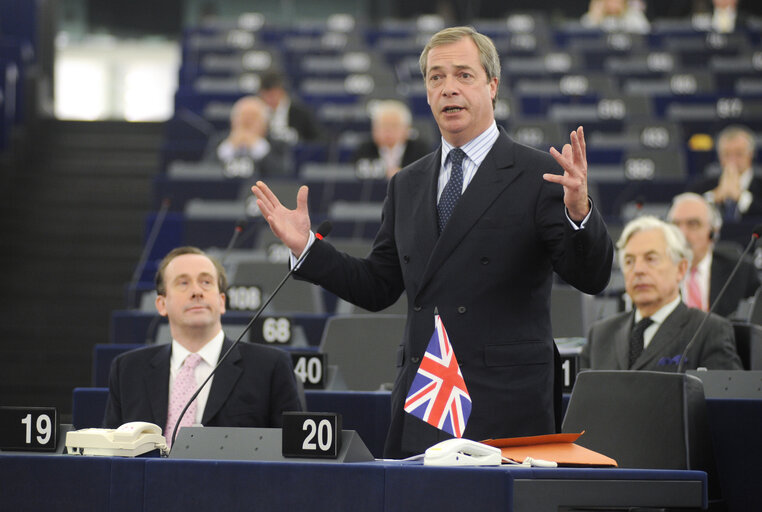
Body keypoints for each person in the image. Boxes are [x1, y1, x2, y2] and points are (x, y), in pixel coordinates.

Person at [252, 26, 614, 458]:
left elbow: (591, 276)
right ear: (426, 92)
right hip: (428, 394)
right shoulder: (406, 183)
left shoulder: (540, 175)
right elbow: (377, 285)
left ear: (492, 85)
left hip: (506, 401)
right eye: (436, 77)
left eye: (463, 75)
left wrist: (579, 212)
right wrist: (308, 249)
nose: (448, 89)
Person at [103, 247, 302, 443]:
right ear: (161, 304)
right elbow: (110, 454)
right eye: (183, 283)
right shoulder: (128, 369)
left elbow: (292, 453)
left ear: (222, 301)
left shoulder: (269, 366)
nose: (197, 291)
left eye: (206, 282)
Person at [582, 216, 742, 371]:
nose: (638, 270)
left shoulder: (709, 331)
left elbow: (726, 396)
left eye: (651, 259)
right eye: (629, 261)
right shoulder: (600, 335)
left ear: (681, 269)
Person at [667, 192, 759, 317]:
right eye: (675, 225)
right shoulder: (657, 272)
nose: (682, 233)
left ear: (713, 232)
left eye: (692, 224)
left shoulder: (740, 272)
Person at [688, 124, 762, 221]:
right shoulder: (702, 186)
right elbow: (686, 212)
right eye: (726, 154)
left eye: (739, 154)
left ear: (751, 154)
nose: (732, 160)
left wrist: (741, 197)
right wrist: (714, 197)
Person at [211, 95, 293, 179]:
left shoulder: (278, 145)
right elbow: (206, 170)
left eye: (253, 118)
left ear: (265, 124)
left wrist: (258, 146)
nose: (248, 122)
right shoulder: (218, 141)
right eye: (243, 118)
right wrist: (229, 147)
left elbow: (283, 174)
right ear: (232, 122)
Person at [352, 100, 432, 180]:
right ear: (374, 129)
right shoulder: (363, 149)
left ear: (406, 129)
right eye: (383, 125)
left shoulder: (420, 150)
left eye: (394, 125)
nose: (388, 130)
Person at [258, 70, 322, 144]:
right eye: (265, 96)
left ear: (281, 91)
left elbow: (318, 139)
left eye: (272, 95)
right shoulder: (256, 114)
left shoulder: (300, 113)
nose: (269, 100)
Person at [581, 0, 651, 33]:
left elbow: (646, 32)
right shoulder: (594, 16)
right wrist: (596, 17)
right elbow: (583, 35)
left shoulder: (633, 15)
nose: (613, 3)